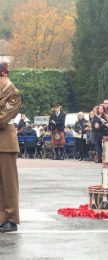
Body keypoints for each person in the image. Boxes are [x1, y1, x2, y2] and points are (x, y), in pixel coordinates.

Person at [0, 62, 22, 232]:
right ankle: (2, 217)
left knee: (9, 184)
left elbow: (3, 118)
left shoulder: (13, 94)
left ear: (3, 75)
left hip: (6, 144)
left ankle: (11, 218)